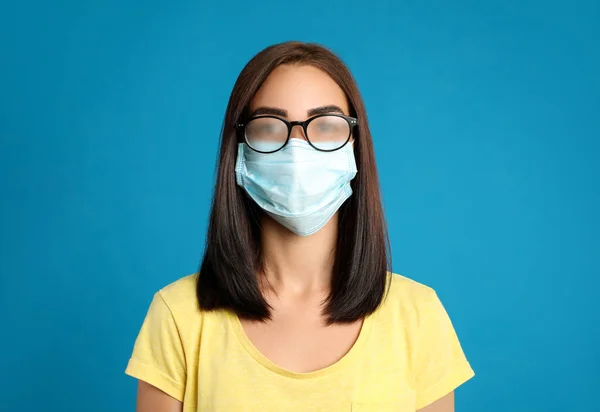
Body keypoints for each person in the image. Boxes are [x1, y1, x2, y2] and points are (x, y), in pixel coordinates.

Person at [125, 41, 475, 412]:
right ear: (240, 147)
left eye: (325, 125)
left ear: (355, 145)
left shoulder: (417, 315)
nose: (297, 149)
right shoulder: (179, 315)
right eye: (270, 126)